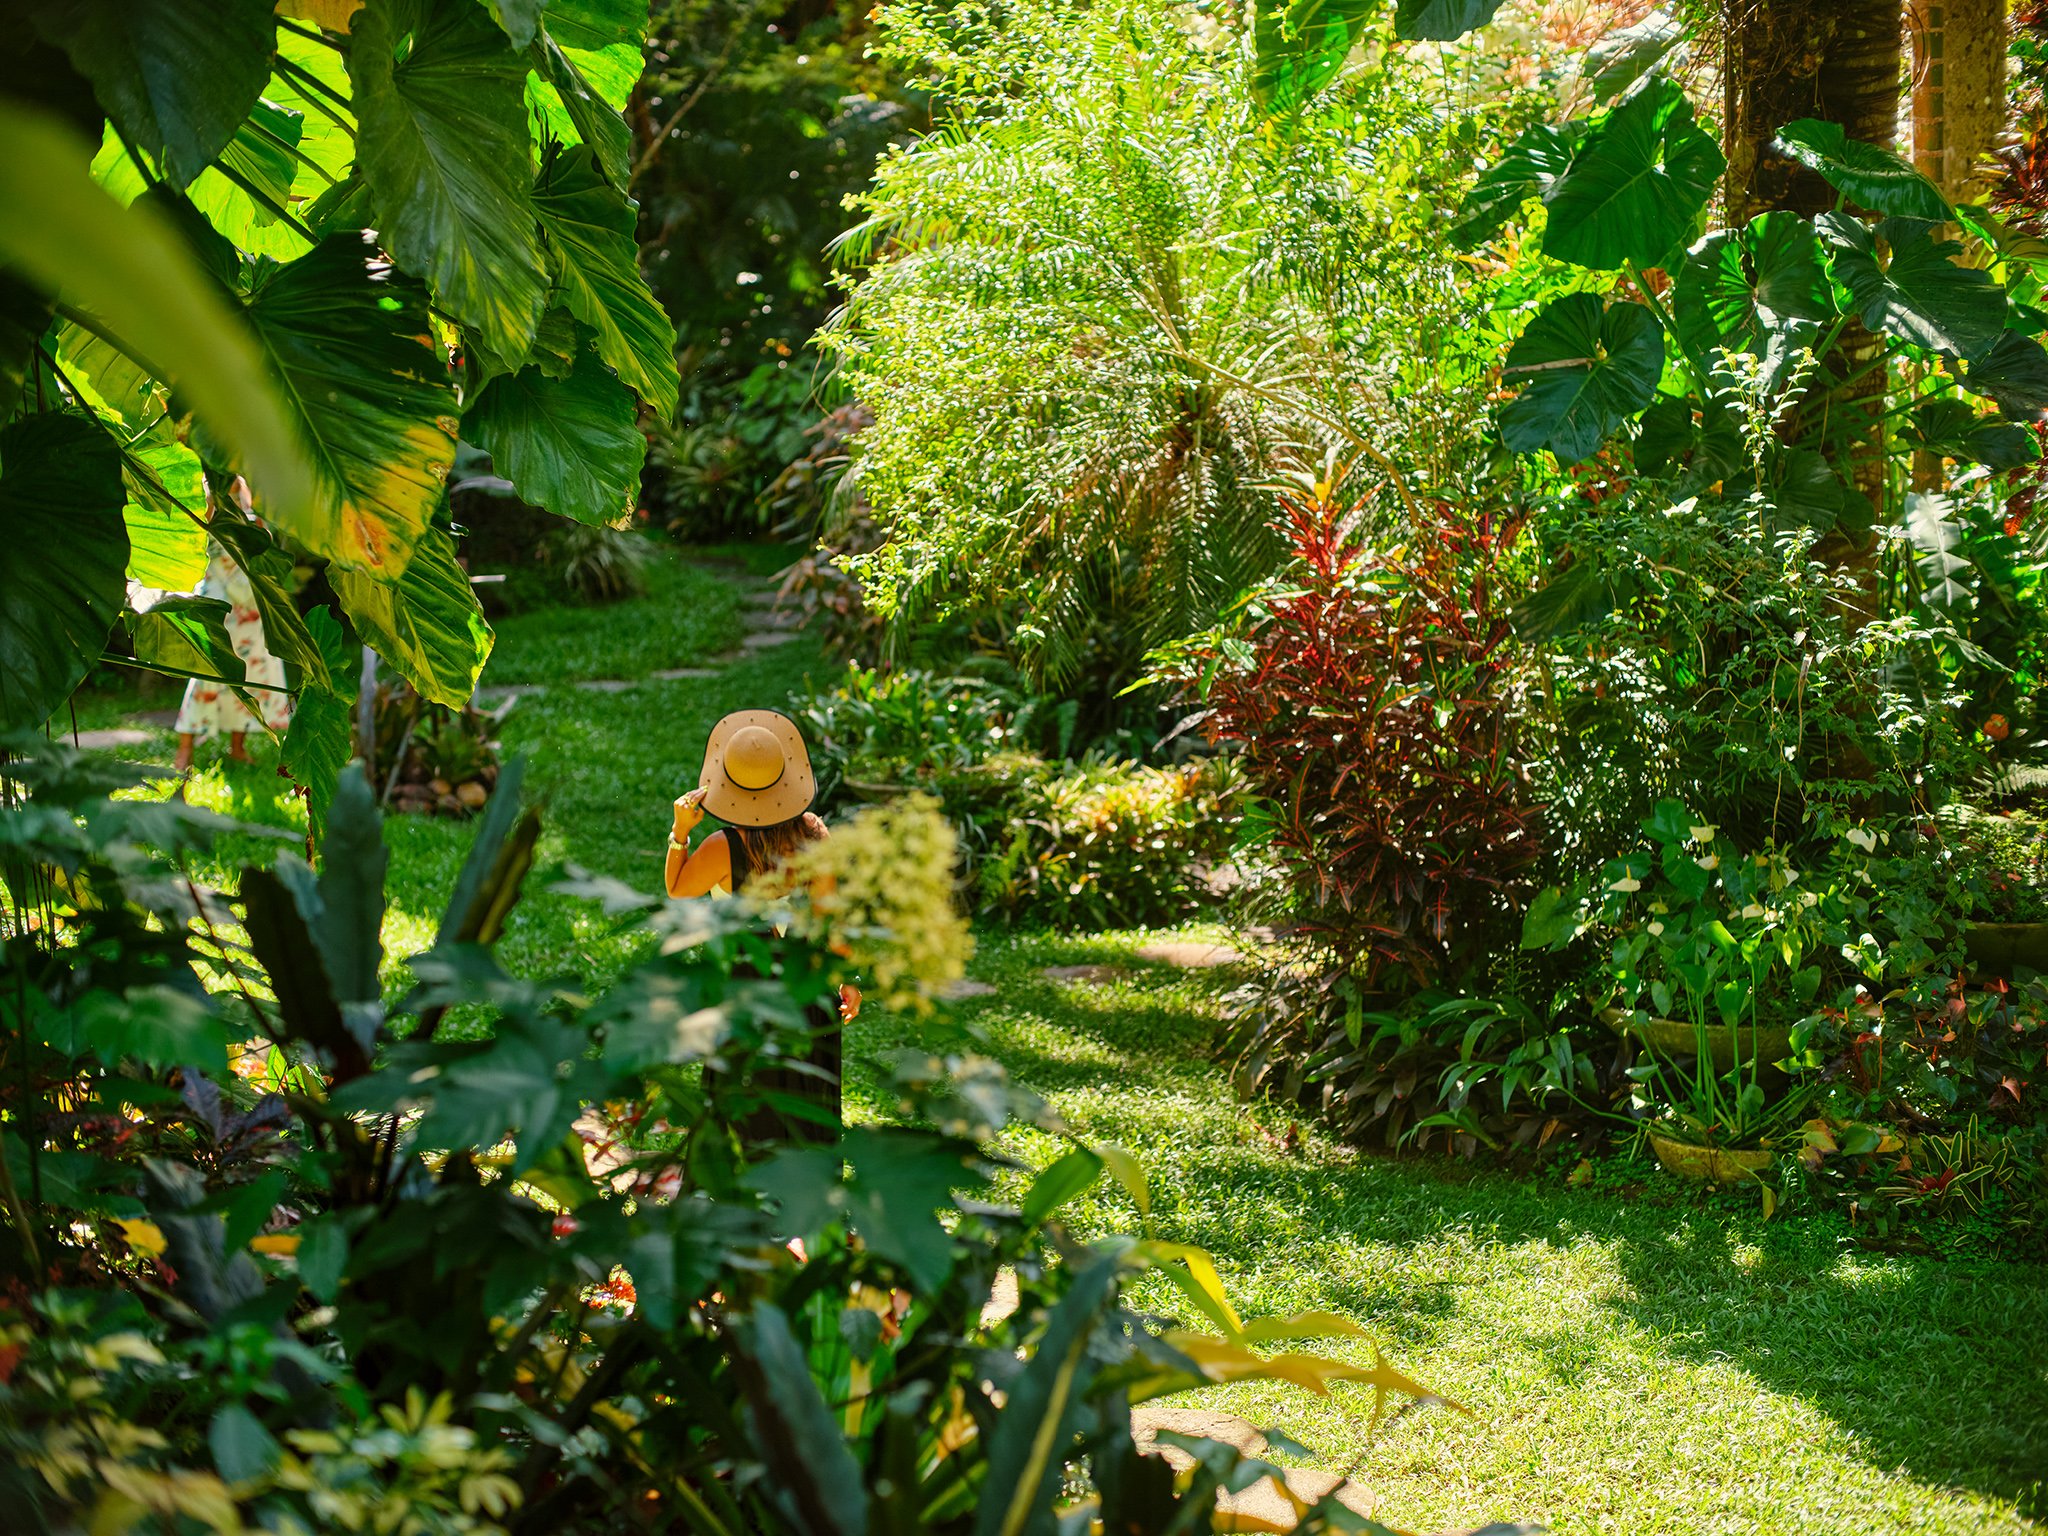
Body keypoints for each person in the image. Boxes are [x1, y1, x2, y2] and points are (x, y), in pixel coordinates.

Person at [665, 709, 856, 1141]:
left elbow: (677, 888)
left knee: (740, 1114)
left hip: (742, 998)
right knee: (807, 1110)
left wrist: (680, 832)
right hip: (806, 994)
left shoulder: (721, 848)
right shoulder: (814, 835)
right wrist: (849, 981)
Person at [171, 481, 291, 772]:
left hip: (249, 595)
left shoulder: (252, 486)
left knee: (250, 669)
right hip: (217, 592)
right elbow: (199, 527)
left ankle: (238, 746)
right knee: (209, 669)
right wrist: (216, 489)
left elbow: (262, 537)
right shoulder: (209, 482)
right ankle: (185, 748)